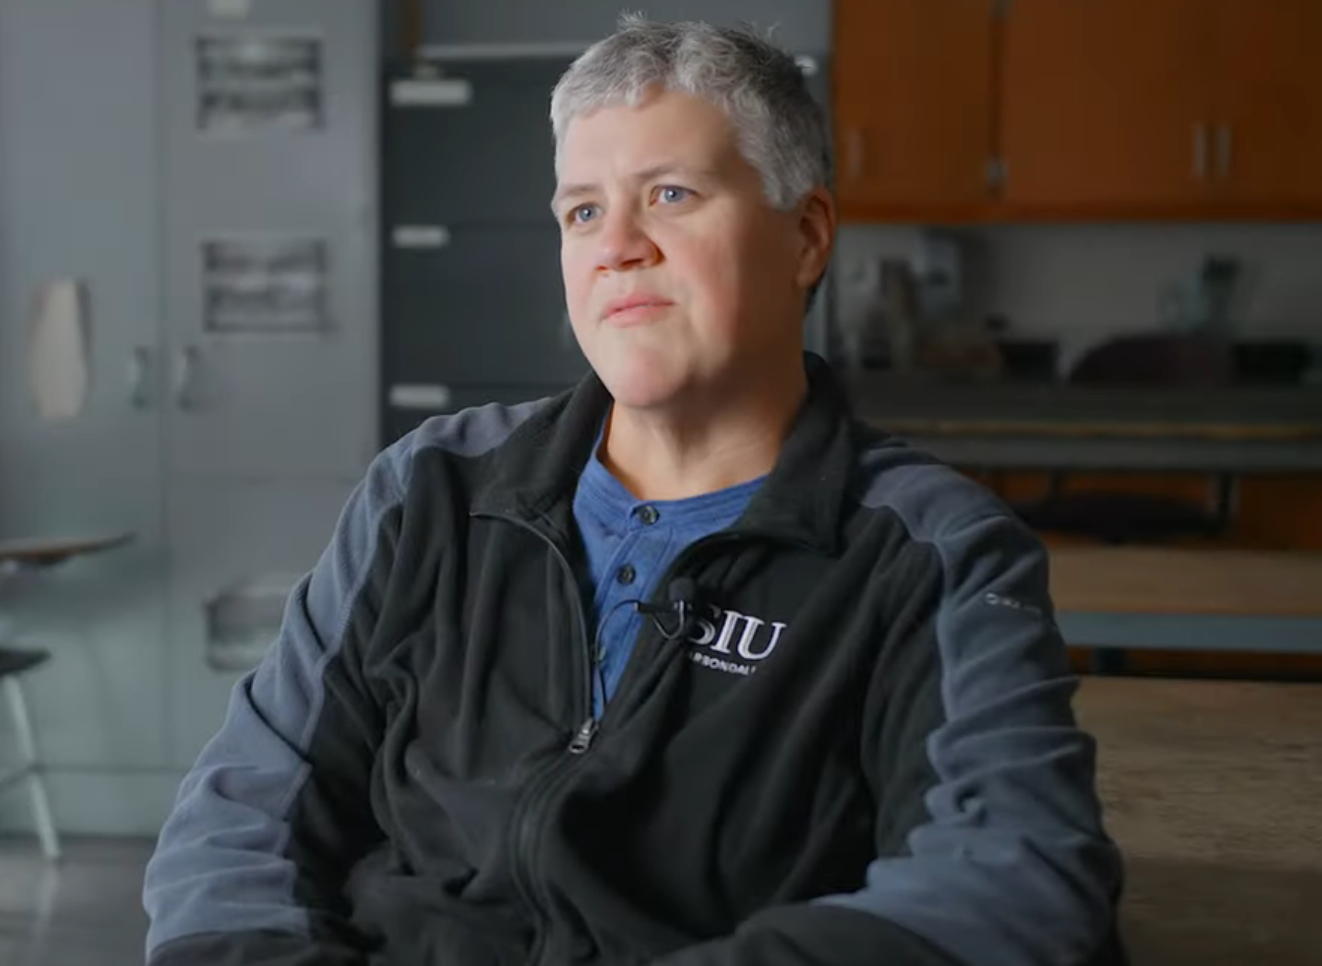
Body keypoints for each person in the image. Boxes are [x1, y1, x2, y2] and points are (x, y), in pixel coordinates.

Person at [143, 16, 1127, 966]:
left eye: (669, 195)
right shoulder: (428, 491)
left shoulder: (930, 553)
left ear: (806, 236)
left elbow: (1012, 882)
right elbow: (244, 813)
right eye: (582, 211)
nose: (616, 244)